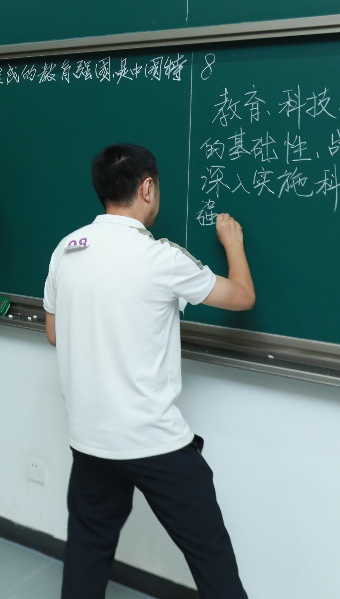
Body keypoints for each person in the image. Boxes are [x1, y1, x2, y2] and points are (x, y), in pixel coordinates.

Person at [43, 143, 255, 599]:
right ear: (146, 188)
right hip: (152, 440)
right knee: (211, 557)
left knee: (87, 551)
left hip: (90, 438)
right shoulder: (161, 258)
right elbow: (242, 296)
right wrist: (234, 244)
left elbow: (55, 333)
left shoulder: (68, 248)